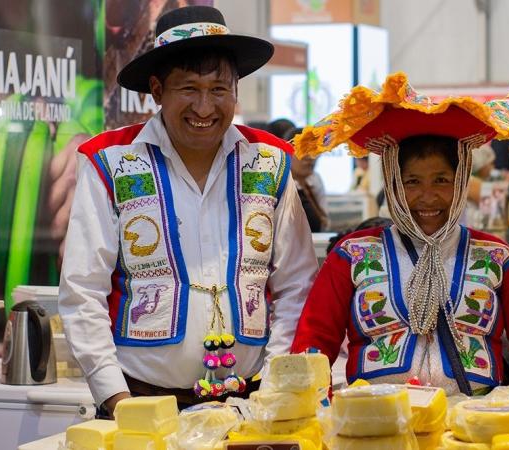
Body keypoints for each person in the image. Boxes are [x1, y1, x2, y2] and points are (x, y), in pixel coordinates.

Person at [58, 6, 318, 415]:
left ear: (236, 91)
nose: (204, 107)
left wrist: (274, 384)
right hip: (140, 401)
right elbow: (82, 289)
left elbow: (297, 285)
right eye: (189, 89)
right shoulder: (110, 161)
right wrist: (115, 397)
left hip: (252, 402)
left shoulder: (270, 163)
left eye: (219, 89)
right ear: (158, 90)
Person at [291, 73, 509, 395]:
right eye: (412, 182)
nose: (428, 196)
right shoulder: (353, 255)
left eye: (441, 180)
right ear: (392, 183)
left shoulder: (496, 256)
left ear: (462, 180)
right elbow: (312, 347)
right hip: (378, 429)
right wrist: (319, 412)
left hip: (473, 429)